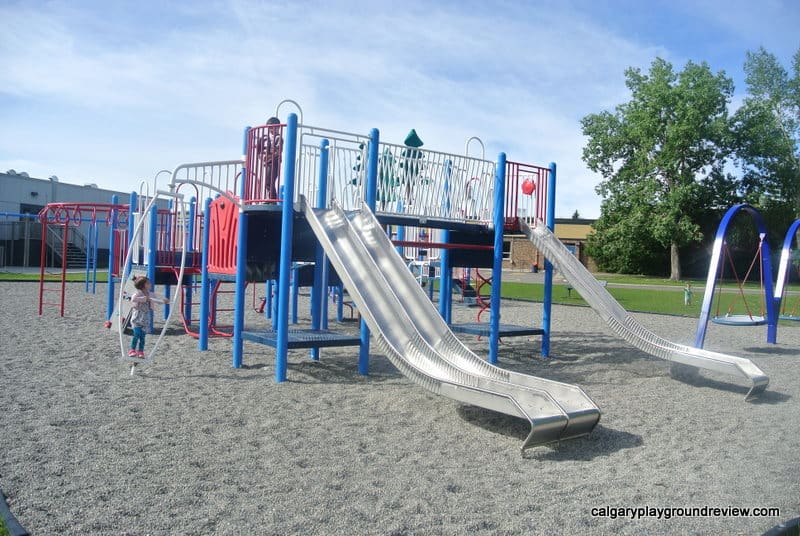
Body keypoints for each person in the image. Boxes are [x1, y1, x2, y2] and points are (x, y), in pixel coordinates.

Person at [128, 276, 168, 359]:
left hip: (145, 318)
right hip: (137, 318)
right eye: (148, 283)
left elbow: (156, 300)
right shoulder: (138, 293)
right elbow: (133, 299)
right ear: (142, 285)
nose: (150, 284)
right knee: (136, 334)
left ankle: (141, 351)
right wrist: (145, 299)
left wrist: (164, 301)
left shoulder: (151, 294)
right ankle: (132, 350)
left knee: (142, 336)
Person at [258, 116, 283, 200]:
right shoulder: (268, 138)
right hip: (269, 162)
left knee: (269, 182)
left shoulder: (278, 138)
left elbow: (278, 151)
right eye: (269, 128)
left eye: (272, 128)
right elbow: (263, 150)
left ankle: (272, 199)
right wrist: (263, 155)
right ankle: (271, 198)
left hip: (275, 162)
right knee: (268, 182)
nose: (270, 130)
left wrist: (268, 157)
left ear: (278, 128)